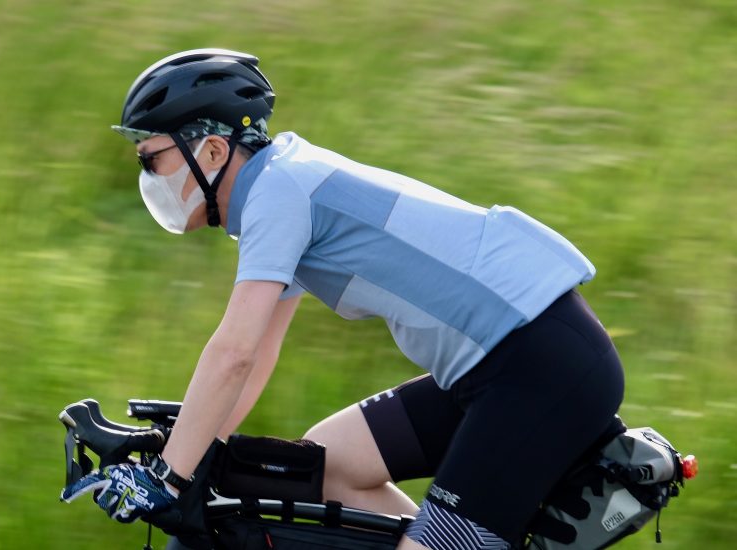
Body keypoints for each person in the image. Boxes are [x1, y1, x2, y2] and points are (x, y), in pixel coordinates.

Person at [63, 49, 625, 550]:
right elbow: (255, 356)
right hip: (504, 362)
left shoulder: (278, 192)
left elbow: (232, 351)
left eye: (151, 158)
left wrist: (166, 479)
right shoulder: (279, 185)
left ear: (211, 150)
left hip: (538, 366)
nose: (146, 174)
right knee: (329, 463)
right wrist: (197, 453)